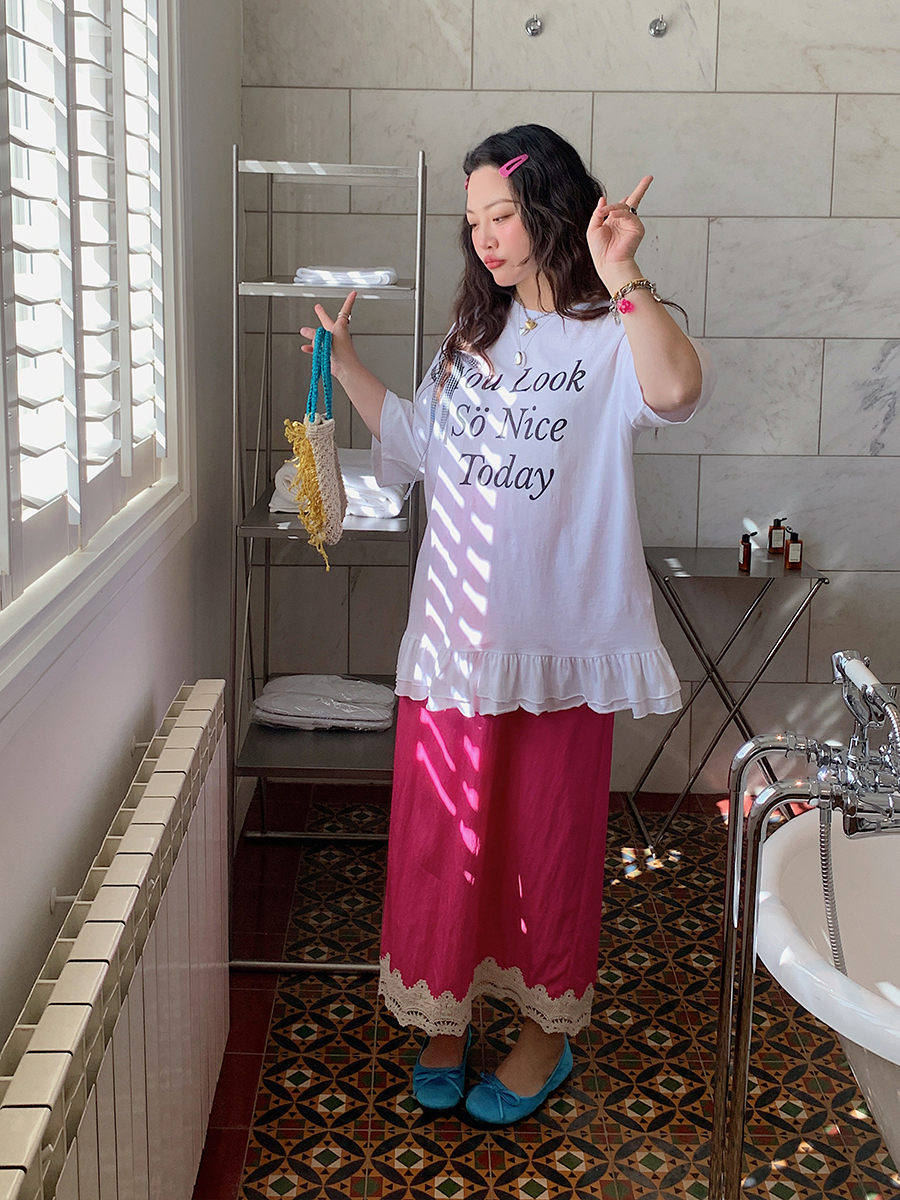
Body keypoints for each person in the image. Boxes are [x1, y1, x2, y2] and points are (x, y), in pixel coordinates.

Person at [299, 124, 713, 1125]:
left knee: (547, 847)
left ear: (551, 212)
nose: (483, 235)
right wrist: (344, 362)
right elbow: (416, 446)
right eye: (473, 219)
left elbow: (677, 391)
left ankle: (543, 1037)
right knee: (447, 842)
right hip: (456, 643)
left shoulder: (610, 331)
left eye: (502, 214)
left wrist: (623, 270)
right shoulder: (468, 341)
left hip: (563, 646)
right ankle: (445, 1015)